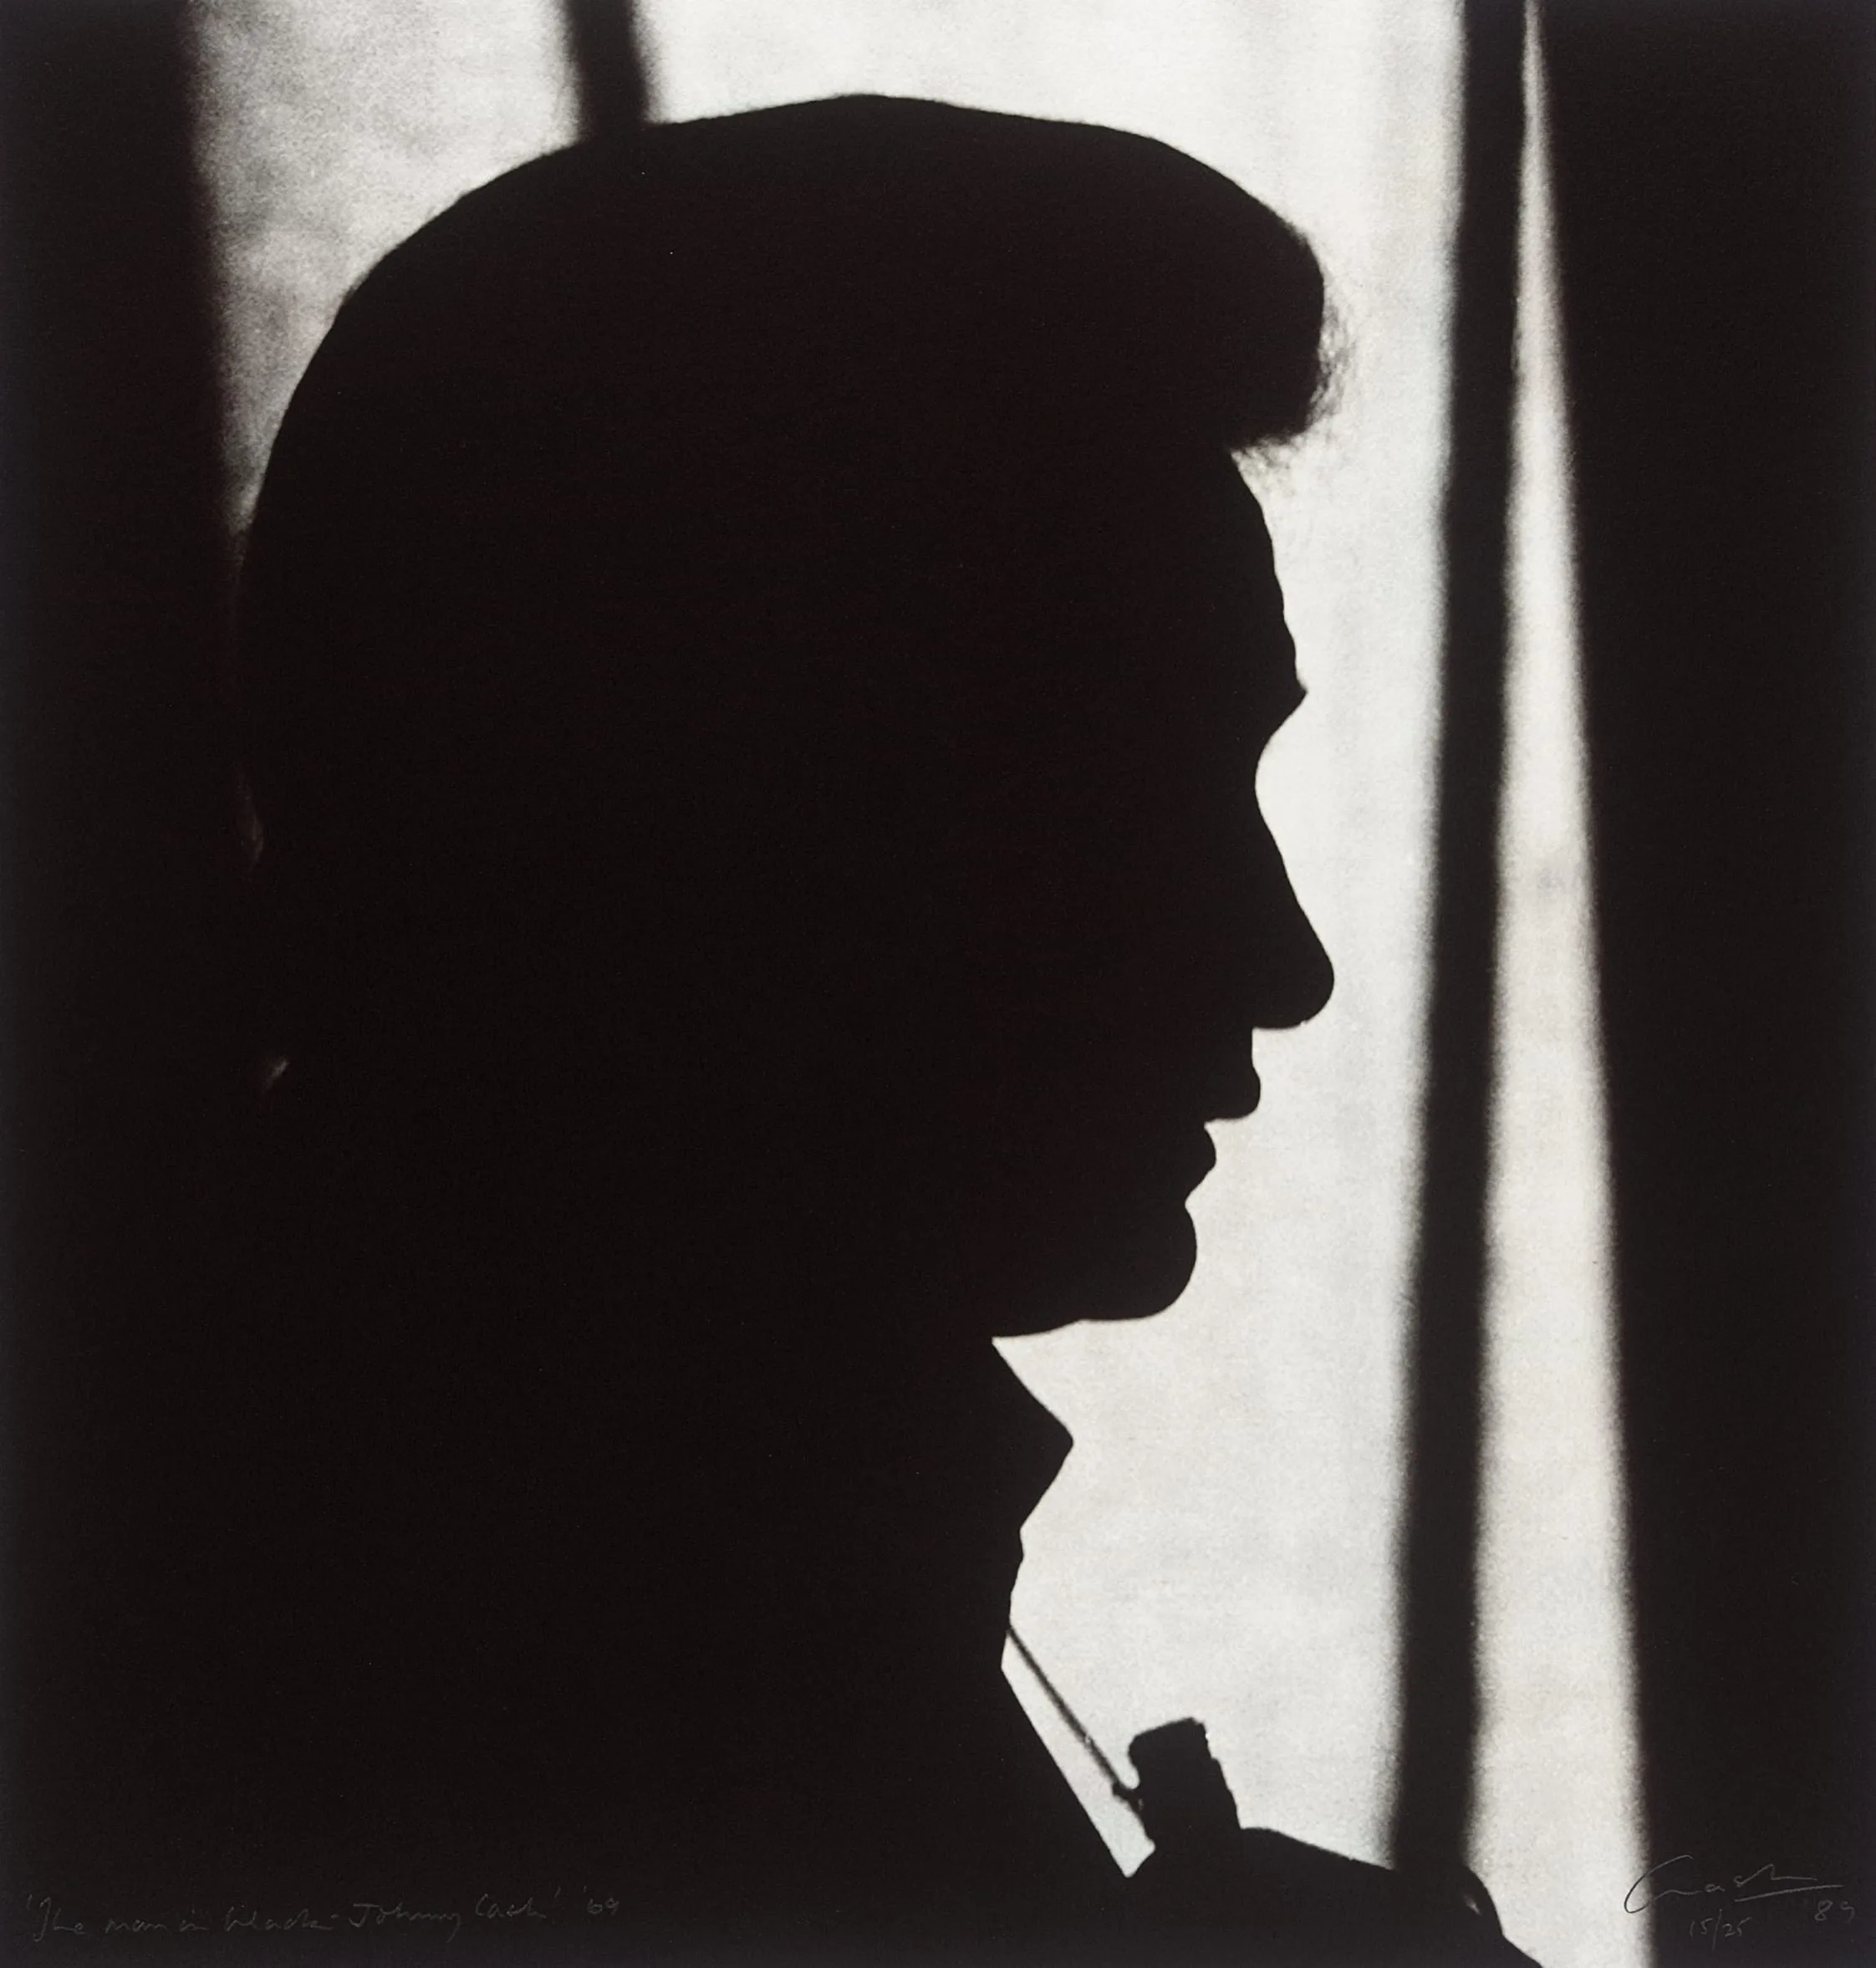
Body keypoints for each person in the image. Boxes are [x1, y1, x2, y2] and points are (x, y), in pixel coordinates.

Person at [66, 95, 1532, 1962]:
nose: (1283, 959)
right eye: (1111, 802)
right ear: (708, 818)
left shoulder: (591, 1552)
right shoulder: (464, 1694)